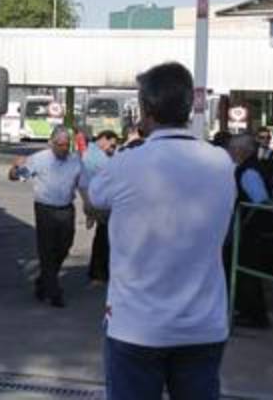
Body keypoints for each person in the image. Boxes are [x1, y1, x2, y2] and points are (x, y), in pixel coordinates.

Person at [88, 62, 234, 400]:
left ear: (145, 110)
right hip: (203, 327)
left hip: (136, 328)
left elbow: (96, 198)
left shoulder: (125, 163)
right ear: (189, 107)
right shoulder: (220, 162)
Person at [24, 125, 83, 307]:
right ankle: (54, 291)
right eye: (60, 145)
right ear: (51, 143)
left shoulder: (75, 161)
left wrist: (89, 206)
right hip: (45, 209)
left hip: (66, 208)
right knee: (47, 249)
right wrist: (14, 170)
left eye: (66, 145)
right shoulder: (39, 159)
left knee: (65, 245)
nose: (63, 149)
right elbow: (19, 175)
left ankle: (43, 281)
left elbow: (84, 185)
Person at [224, 133, 273, 328]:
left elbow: (260, 201)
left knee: (247, 273)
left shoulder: (248, 171)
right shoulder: (250, 168)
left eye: (232, 149)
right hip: (249, 231)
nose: (230, 153)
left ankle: (253, 315)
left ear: (242, 150)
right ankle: (249, 311)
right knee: (246, 272)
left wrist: (243, 224)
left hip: (249, 233)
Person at [82, 130, 118, 284]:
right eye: (112, 145)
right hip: (100, 202)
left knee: (103, 237)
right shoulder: (97, 157)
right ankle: (98, 273)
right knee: (103, 239)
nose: (112, 148)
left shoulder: (93, 154)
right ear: (104, 139)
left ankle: (98, 272)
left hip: (97, 201)